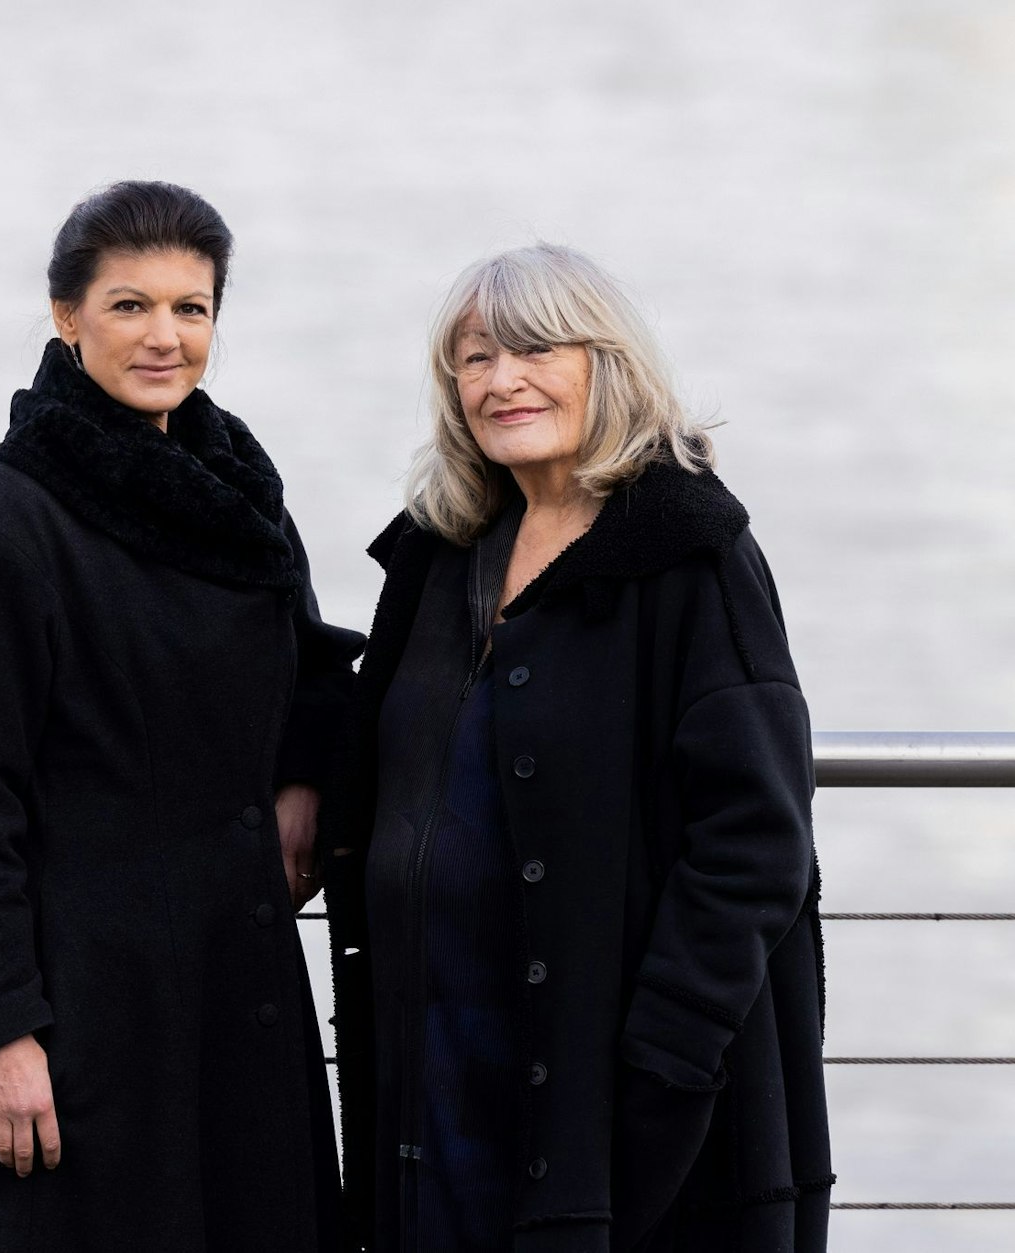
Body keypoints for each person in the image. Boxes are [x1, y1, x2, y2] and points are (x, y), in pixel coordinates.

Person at [323, 243, 831, 1253]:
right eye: (473, 358)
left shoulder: (692, 552)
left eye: (535, 347)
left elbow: (755, 837)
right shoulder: (437, 549)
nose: (501, 379)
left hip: (618, 1098)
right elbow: (372, 723)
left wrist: (664, 1059)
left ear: (608, 362)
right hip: (437, 1075)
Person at [0, 180, 361, 1252]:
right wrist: (2, 1030)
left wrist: (303, 780)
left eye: (190, 308)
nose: (165, 336)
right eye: (129, 305)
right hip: (79, 1009)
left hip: (235, 983)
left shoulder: (237, 483)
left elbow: (305, 665)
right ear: (66, 317)